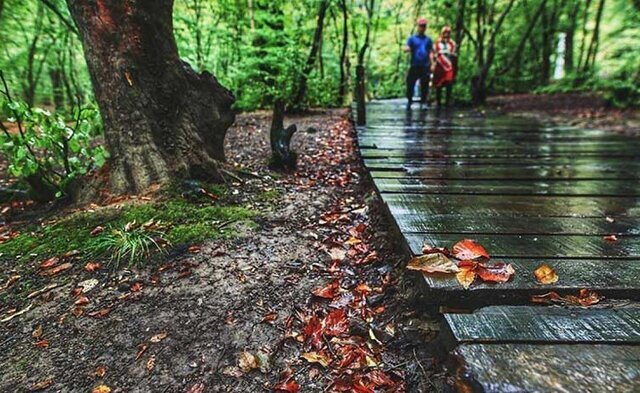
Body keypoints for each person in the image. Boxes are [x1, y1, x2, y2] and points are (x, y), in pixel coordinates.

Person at [404, 17, 434, 110]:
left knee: (425, 84)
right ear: (418, 27)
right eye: (421, 26)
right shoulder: (412, 39)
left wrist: (432, 63)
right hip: (414, 64)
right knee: (410, 83)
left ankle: (423, 101)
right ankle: (409, 101)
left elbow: (431, 52)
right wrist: (407, 49)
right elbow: (406, 48)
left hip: (425, 65)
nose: (422, 28)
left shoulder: (428, 40)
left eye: (424, 26)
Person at [433, 26, 457, 107]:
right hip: (439, 66)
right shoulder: (437, 43)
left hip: (449, 66)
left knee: (449, 84)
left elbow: (454, 54)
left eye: (448, 33)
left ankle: (447, 102)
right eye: (444, 33)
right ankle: (438, 102)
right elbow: (434, 54)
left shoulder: (452, 43)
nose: (446, 35)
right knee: (438, 85)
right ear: (442, 34)